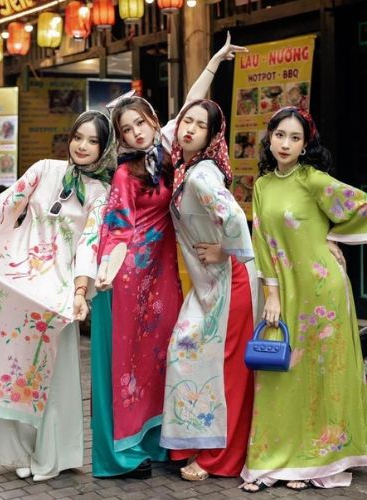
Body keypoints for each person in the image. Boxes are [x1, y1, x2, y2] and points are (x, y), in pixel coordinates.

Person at [93, 33, 247, 479]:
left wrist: (216, 60)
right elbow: (116, 227)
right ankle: (125, 453)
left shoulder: (166, 149)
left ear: (152, 120)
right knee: (131, 362)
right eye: (127, 130)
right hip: (128, 274)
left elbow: (191, 104)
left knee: (163, 355)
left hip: (164, 270)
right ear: (121, 138)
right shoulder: (125, 171)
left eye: (141, 123)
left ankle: (162, 441)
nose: (137, 132)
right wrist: (105, 272)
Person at [0, 110, 116, 482]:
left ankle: (50, 456)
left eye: (93, 141)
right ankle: (16, 451)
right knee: (14, 367)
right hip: (19, 279)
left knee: (53, 374)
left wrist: (81, 291)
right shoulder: (45, 169)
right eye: (78, 137)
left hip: (58, 290)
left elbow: (90, 244)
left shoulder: (101, 193)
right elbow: (6, 204)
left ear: (104, 148)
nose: (82, 146)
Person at [240, 107, 367, 492]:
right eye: (280, 135)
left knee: (321, 377)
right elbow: (261, 242)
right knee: (283, 376)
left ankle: (315, 463)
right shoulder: (261, 185)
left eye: (295, 138)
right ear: (270, 137)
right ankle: (280, 460)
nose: (286, 144)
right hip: (286, 290)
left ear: (305, 143)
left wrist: (334, 235)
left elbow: (361, 204)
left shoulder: (313, 179)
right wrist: (271, 294)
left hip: (322, 290)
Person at [159, 99, 258, 481]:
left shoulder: (201, 174)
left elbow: (233, 215)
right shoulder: (184, 169)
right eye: (187, 120)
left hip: (230, 282)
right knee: (187, 354)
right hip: (209, 284)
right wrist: (214, 64)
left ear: (212, 136)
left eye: (200, 125)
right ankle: (195, 443)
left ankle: (221, 459)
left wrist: (227, 249)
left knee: (227, 370)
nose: (189, 129)